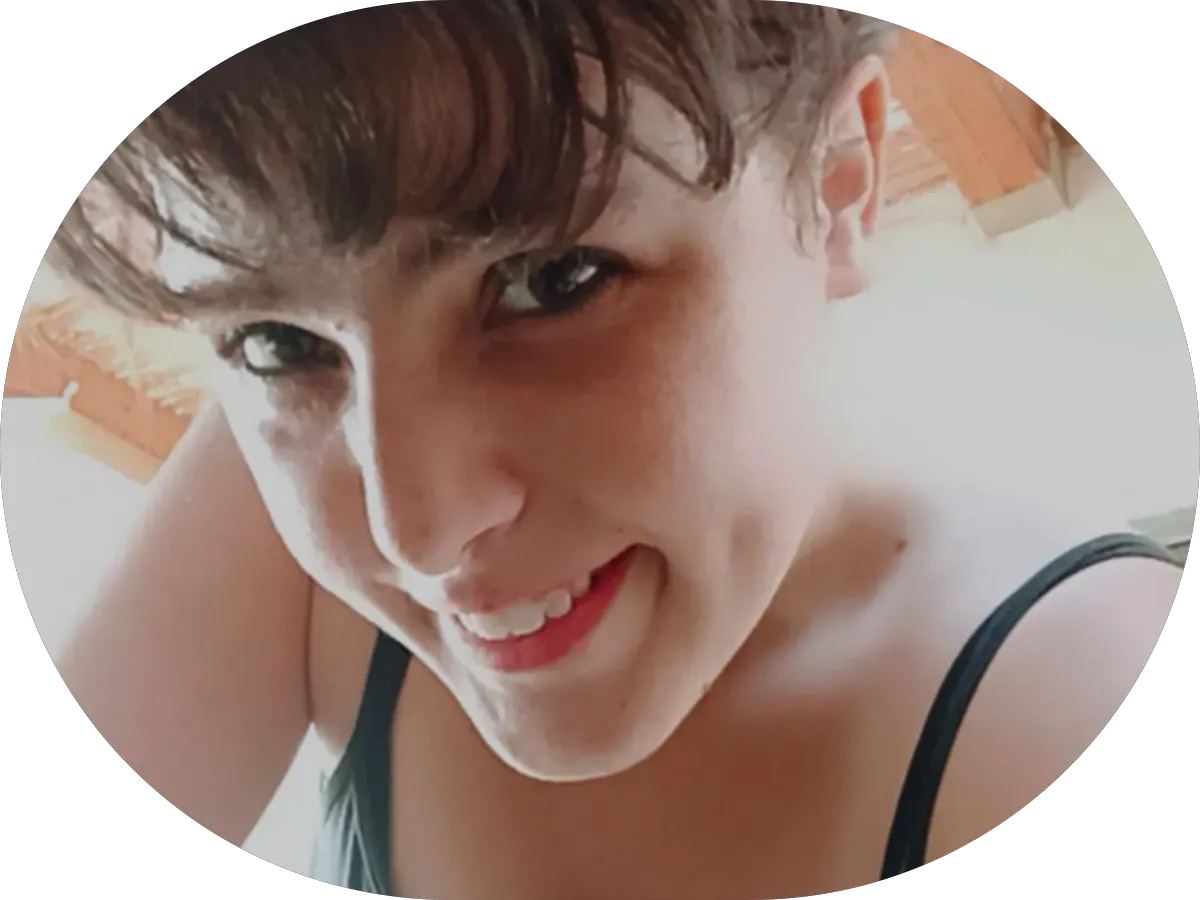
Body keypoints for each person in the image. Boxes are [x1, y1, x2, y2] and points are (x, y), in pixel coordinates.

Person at [42, 3, 1182, 897]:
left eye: (553, 280)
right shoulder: (296, 468)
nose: (415, 532)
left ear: (836, 181)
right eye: (276, 342)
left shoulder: (1071, 695)